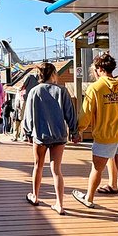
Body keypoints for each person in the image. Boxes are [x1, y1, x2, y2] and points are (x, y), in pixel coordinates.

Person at [73, 53, 118, 223]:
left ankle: (89, 199)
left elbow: (85, 114)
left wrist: (78, 130)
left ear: (99, 69)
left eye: (95, 69)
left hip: (105, 136)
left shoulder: (95, 88)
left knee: (96, 169)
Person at [22, 62, 78, 216]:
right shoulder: (62, 91)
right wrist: (74, 131)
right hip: (59, 135)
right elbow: (70, 113)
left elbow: (28, 116)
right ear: (53, 73)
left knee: (38, 166)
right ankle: (60, 205)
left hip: (40, 135)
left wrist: (27, 132)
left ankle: (35, 196)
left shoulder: (34, 91)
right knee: (56, 170)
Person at [12, 70, 39, 141]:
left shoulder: (29, 76)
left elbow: (23, 85)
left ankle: (24, 135)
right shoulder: (39, 80)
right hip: (34, 100)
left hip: (25, 99)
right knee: (31, 117)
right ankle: (28, 135)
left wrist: (19, 89)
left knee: (23, 117)